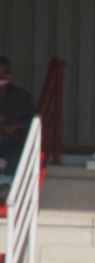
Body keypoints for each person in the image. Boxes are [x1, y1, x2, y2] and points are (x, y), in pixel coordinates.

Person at [0, 56, 35, 202]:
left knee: (15, 156)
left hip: (13, 143)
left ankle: (5, 189)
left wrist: (16, 126)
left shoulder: (21, 96)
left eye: (4, 76)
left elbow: (32, 119)